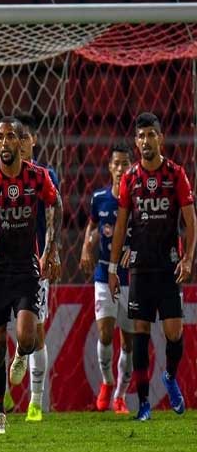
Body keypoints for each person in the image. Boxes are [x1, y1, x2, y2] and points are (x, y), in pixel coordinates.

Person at [0, 117, 62, 435]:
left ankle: (21, 355)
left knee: (28, 337)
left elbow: (56, 203)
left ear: (22, 142)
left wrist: (52, 248)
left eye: (11, 137)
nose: (5, 143)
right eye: (0, 137)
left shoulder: (37, 177)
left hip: (25, 267)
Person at [109, 112, 196, 421]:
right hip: (140, 267)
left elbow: (190, 219)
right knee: (140, 333)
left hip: (169, 266)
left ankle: (170, 377)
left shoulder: (176, 174)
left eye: (151, 135)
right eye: (141, 136)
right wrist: (111, 269)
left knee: (174, 333)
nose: (146, 141)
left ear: (161, 138)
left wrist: (187, 259)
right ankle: (143, 404)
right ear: (136, 141)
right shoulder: (130, 178)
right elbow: (120, 226)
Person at [5, 113, 61, 422]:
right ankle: (2, 396)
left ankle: (36, 403)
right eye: (14, 138)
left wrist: (50, 252)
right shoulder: (0, 175)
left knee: (36, 331)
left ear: (34, 140)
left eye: (24, 137)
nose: (20, 143)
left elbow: (53, 216)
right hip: (5, 264)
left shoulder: (45, 174)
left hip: (34, 264)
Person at [79, 144, 133, 414]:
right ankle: (106, 382)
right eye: (117, 164)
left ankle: (121, 396)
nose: (121, 169)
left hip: (130, 277)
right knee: (105, 333)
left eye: (125, 164)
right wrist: (86, 246)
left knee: (130, 341)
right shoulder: (99, 198)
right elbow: (91, 225)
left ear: (131, 167)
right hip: (103, 272)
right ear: (110, 167)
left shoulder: (135, 200)